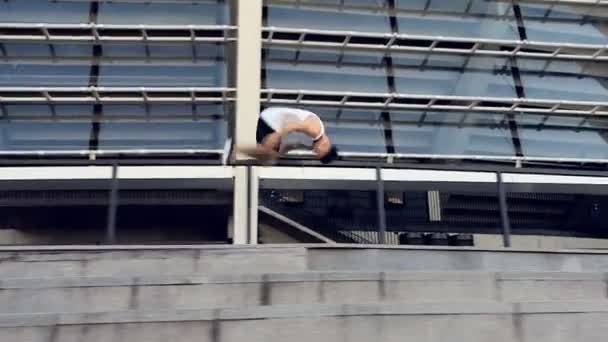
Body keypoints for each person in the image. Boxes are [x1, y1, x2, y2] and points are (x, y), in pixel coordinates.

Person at [240, 107, 340, 164]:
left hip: (272, 122)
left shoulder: (313, 139)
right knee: (267, 156)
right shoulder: (315, 130)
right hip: (271, 120)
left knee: (268, 158)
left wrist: (281, 152)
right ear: (325, 146)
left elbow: (293, 145)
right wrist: (276, 136)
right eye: (318, 152)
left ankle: (240, 150)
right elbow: (293, 126)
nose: (315, 151)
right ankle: (237, 149)